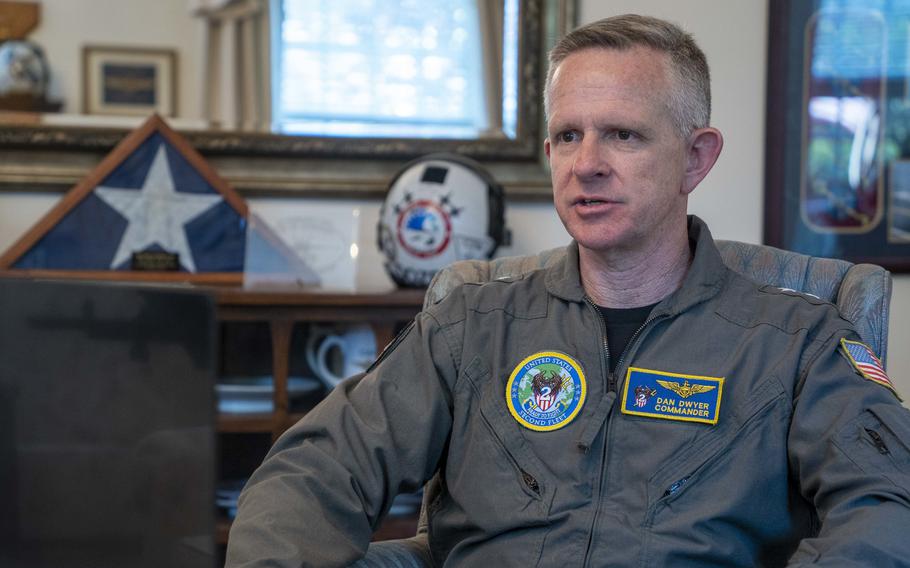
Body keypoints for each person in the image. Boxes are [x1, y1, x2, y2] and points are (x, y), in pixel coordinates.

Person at [226, 14, 910, 567]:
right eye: (567, 135)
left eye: (623, 135)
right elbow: (315, 470)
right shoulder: (472, 326)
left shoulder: (798, 343)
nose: (587, 165)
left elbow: (887, 507)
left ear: (695, 158)